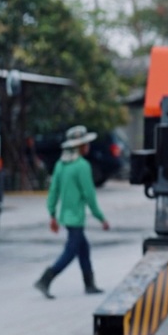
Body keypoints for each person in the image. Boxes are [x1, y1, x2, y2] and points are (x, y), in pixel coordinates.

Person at [33, 125, 110, 298]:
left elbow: (53, 192)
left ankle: (89, 284)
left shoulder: (61, 165)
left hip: (65, 217)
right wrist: (101, 218)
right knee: (70, 252)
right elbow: (90, 196)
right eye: (85, 144)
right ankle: (46, 279)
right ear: (80, 147)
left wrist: (52, 214)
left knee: (84, 249)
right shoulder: (82, 166)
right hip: (76, 218)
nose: (88, 146)